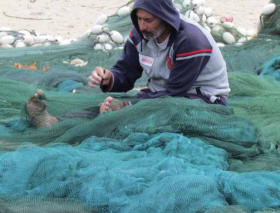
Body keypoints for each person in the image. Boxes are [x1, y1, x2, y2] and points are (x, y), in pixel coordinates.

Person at [26, 0, 230, 127]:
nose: (142, 25)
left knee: (126, 112)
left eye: (148, 20)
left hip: (200, 100)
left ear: (164, 18)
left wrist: (127, 105)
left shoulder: (190, 40)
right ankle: (55, 123)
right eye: (139, 19)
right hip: (159, 95)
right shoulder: (140, 35)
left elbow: (174, 92)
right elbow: (126, 73)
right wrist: (108, 77)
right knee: (108, 106)